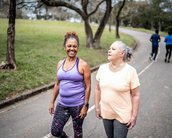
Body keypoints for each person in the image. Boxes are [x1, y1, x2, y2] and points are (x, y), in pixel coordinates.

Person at [49, 32, 91, 138]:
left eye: (74, 46)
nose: (72, 49)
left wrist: (85, 106)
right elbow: (57, 84)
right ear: (65, 47)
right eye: (69, 46)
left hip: (78, 105)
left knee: (77, 133)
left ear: (77, 48)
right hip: (62, 104)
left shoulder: (83, 65)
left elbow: (88, 87)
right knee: (55, 131)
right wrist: (52, 102)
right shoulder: (60, 64)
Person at [95, 41, 140, 138]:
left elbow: (135, 95)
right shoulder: (102, 68)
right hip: (106, 112)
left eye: (113, 49)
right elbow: (97, 89)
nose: (109, 51)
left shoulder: (130, 71)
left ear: (122, 54)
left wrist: (134, 116)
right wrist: (97, 107)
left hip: (122, 114)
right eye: (110, 49)